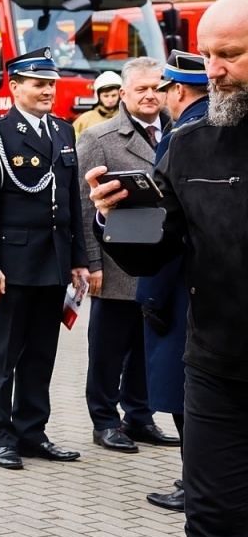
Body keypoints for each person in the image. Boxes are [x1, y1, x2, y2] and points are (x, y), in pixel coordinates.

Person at [88, 0, 248, 537]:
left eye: (232, 56)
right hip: (217, 372)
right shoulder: (190, 145)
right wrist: (114, 215)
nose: (213, 71)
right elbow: (155, 253)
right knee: (213, 536)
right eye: (209, 55)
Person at [0, 48, 89, 471]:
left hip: (52, 263)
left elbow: (71, 200)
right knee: (5, 356)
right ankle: (2, 436)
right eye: (39, 84)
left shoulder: (63, 131)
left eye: (51, 84)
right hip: (12, 265)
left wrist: (78, 259)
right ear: (15, 86)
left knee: (41, 354)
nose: (47, 91)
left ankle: (33, 432)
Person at [76, 57, 179, 453]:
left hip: (160, 263)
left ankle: (139, 416)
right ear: (123, 94)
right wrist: (93, 262)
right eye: (142, 89)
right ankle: (104, 419)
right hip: (117, 262)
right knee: (108, 347)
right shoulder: (99, 138)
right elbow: (86, 206)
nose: (151, 95)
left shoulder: (177, 130)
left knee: (145, 347)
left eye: (158, 87)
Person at [138, 52, 210, 513]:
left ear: (177, 91)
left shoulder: (181, 137)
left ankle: (195, 484)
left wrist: (150, 293)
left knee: (186, 392)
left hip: (180, 285)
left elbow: (164, 225)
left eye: (164, 89)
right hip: (211, 285)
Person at [74, 71, 124, 136]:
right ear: (98, 96)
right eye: (106, 96)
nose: (110, 100)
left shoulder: (126, 118)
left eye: (114, 95)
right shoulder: (85, 119)